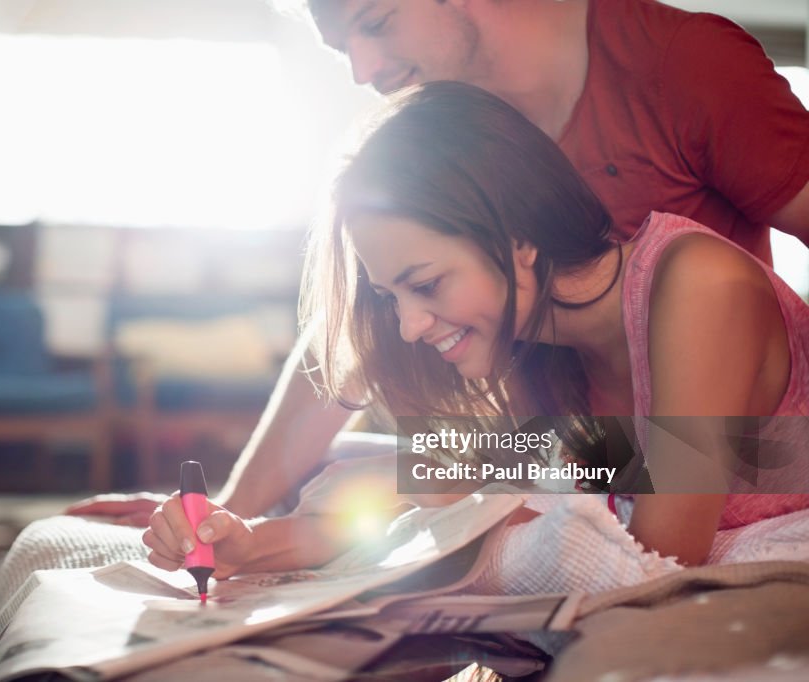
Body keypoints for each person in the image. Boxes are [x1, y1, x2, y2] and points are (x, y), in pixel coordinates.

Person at [70, 0, 809, 526]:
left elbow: (665, 537)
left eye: (377, 21)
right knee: (362, 478)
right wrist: (232, 509)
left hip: (717, 454)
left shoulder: (682, 69)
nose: (361, 68)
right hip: (592, 450)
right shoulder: (438, 130)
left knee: (409, 483)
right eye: (341, 45)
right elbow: (359, 329)